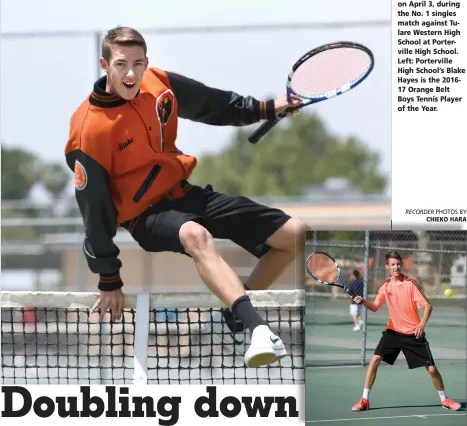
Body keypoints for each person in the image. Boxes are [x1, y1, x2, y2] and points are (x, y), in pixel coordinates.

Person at [65, 26, 308, 369]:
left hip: (185, 193)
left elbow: (215, 104)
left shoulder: (158, 81)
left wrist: (266, 109)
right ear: (105, 65)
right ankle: (258, 330)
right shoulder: (88, 130)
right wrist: (108, 277)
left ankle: (235, 318)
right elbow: (94, 210)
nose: (131, 73)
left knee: (295, 235)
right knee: (196, 235)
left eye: (137, 63)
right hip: (144, 216)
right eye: (121, 64)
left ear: (147, 61)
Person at [351, 251, 461, 412]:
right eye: (393, 264)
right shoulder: (385, 286)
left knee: (431, 369)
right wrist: (363, 301)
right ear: (387, 266)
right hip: (393, 332)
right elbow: (375, 307)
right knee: (374, 360)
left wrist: (421, 324)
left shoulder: (411, 284)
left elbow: (428, 306)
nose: (396, 267)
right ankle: (364, 400)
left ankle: (445, 400)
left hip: (413, 333)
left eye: (398, 264)